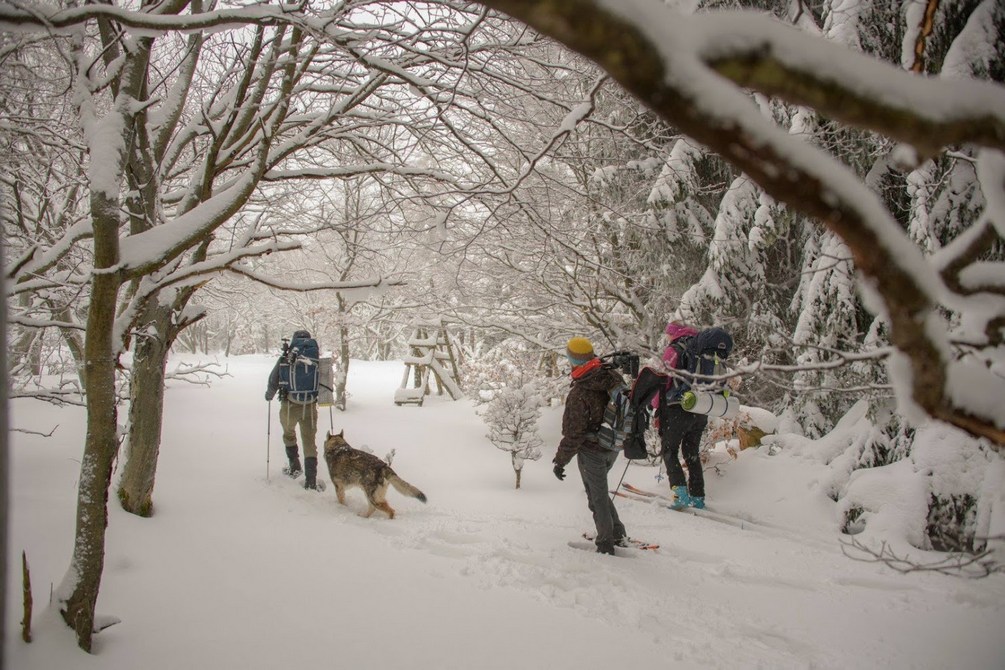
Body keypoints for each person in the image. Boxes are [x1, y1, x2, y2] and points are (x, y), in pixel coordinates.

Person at [552, 337, 629, 555]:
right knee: (600, 492)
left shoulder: (580, 392)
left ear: (572, 360)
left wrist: (560, 461)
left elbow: (573, 434)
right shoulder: (610, 375)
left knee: (596, 499)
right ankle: (618, 534)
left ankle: (606, 544)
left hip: (592, 450)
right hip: (612, 445)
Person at [265, 330, 321, 491]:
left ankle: (294, 466)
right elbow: (325, 380)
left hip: (289, 405)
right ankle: (311, 480)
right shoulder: (315, 358)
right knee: (309, 441)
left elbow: (273, 379)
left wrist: (269, 394)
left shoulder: (285, 358)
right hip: (310, 406)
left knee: (289, 433)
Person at [659, 321, 706, 510]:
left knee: (669, 450)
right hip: (701, 407)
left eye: (668, 335)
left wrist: (656, 405)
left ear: (673, 334)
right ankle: (698, 496)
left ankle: (680, 494)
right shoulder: (702, 349)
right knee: (691, 452)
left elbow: (665, 379)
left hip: (678, 408)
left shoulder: (675, 349)